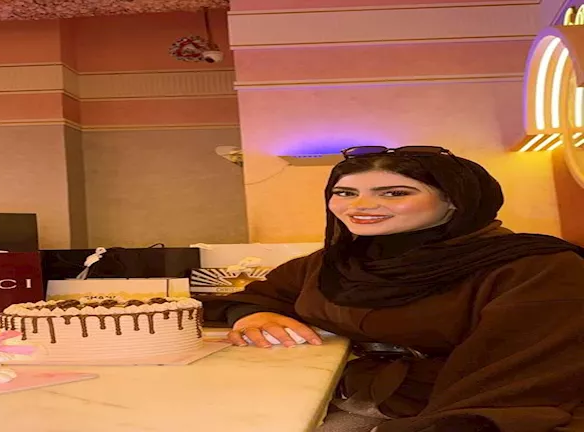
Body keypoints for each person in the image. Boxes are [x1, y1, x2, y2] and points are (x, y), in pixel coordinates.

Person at [202, 146, 584, 432]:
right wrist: (253, 314)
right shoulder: (341, 260)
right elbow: (258, 295)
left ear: (455, 202)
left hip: (462, 414)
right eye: (344, 193)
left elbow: (517, 386)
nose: (360, 206)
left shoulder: (535, 267)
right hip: (344, 396)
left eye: (395, 193)